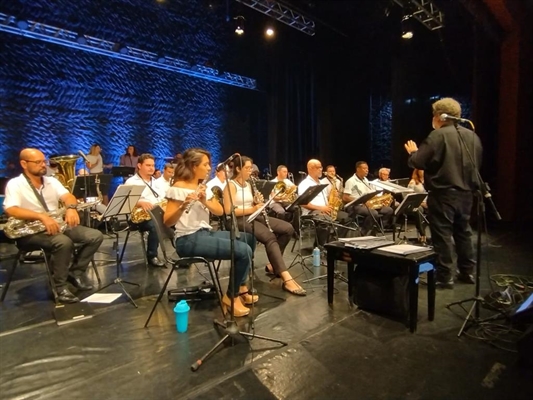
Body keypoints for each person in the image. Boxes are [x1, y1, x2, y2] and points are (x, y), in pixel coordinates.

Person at [164, 148, 257, 317]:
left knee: (249, 239)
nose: (209, 168)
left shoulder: (202, 187)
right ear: (194, 166)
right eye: (206, 164)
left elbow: (220, 211)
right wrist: (183, 206)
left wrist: (204, 200)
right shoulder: (178, 187)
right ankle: (231, 296)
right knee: (244, 251)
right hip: (187, 239)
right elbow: (168, 221)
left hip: (204, 233)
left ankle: (241, 286)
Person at [3, 148, 104, 303]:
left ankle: (75, 273)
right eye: (38, 162)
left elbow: (68, 196)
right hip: (29, 231)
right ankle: (60, 287)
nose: (43, 165)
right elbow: (11, 209)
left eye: (44, 161)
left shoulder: (51, 181)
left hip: (56, 225)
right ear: (24, 163)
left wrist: (71, 208)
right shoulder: (15, 184)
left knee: (95, 236)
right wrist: (42, 217)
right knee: (63, 242)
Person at [404, 97, 482, 289]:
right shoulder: (473, 137)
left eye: (433, 115)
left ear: (440, 116)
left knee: (442, 234)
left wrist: (413, 153)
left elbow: (418, 163)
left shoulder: (437, 136)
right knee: (463, 232)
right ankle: (467, 272)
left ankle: (445, 276)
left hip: (443, 193)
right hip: (466, 194)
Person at [224, 155, 306, 296]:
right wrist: (253, 209)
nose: (251, 171)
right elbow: (228, 210)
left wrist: (257, 202)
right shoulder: (230, 185)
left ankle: (275, 265)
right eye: (247, 168)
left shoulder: (248, 184)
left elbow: (251, 204)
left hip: (252, 215)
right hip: (237, 220)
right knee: (269, 237)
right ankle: (286, 277)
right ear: (238, 168)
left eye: (251, 167)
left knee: (288, 229)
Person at [124, 154, 165, 267]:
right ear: (139, 165)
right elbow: (126, 201)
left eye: (153, 165)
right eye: (148, 165)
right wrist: (140, 202)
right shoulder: (131, 182)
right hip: (138, 216)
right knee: (155, 225)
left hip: (156, 212)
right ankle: (152, 256)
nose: (151, 168)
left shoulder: (158, 182)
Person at [343, 161, 394, 235]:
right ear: (358, 169)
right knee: (374, 213)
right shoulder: (350, 181)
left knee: (389, 210)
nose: (367, 170)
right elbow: (345, 197)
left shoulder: (365, 180)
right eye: (364, 168)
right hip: (356, 205)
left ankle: (375, 230)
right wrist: (360, 200)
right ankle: (363, 232)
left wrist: (378, 200)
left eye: (367, 168)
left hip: (367, 204)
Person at [407, 169, 429, 242]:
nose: (423, 172)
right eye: (421, 170)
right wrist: (421, 203)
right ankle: (422, 233)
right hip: (416, 205)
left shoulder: (425, 181)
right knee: (419, 209)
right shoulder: (413, 182)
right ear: (417, 172)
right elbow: (407, 196)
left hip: (427, 203)